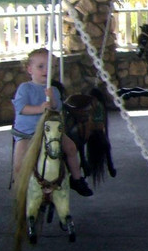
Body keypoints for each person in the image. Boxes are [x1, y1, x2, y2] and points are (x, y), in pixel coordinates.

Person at [12, 48, 91, 196]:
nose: (46, 70)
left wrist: (53, 101)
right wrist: (40, 108)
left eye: (50, 67)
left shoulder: (53, 89)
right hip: (28, 133)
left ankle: (76, 178)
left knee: (71, 148)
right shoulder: (25, 88)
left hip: (50, 132)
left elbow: (58, 108)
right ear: (30, 69)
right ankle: (20, 190)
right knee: (19, 163)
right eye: (40, 66)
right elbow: (21, 108)